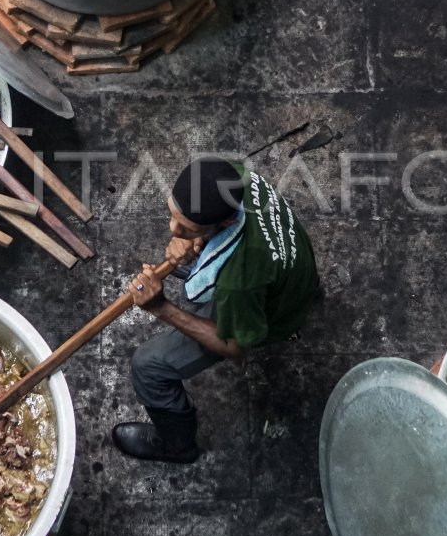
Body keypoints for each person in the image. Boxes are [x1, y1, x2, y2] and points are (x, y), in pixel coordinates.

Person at [112, 156, 320, 463]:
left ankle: (176, 446)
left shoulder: (239, 284)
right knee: (185, 264)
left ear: (224, 223)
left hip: (275, 309)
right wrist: (192, 236)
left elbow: (235, 348)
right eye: (173, 216)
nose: (172, 229)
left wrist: (161, 307)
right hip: (298, 272)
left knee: (148, 365)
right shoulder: (232, 175)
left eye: (186, 227)